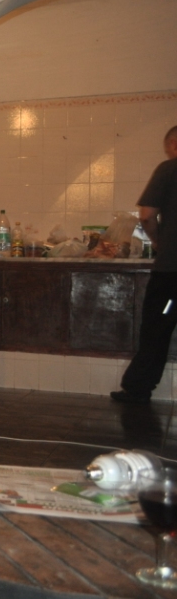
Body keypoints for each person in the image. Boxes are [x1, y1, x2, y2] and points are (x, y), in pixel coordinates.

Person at [112, 125, 177, 404]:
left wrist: (159, 242)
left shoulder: (169, 169)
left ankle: (138, 389)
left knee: (157, 328)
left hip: (172, 271)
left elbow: (147, 215)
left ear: (173, 144)